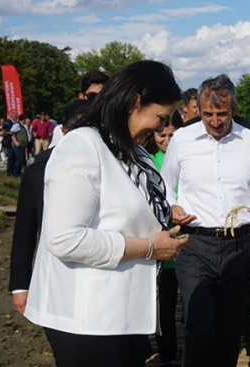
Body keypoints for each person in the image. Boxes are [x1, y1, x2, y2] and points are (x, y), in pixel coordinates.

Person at [22, 61, 188, 367]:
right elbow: (64, 239)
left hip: (122, 314)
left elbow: (130, 209)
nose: (163, 128)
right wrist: (150, 247)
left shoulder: (134, 151)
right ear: (134, 102)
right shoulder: (83, 147)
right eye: (161, 117)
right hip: (86, 319)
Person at [161, 74, 250, 367]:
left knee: (229, 329)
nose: (214, 121)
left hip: (239, 245)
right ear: (198, 110)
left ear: (233, 110)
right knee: (198, 325)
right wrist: (170, 207)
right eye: (208, 114)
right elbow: (163, 183)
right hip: (194, 244)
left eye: (222, 114)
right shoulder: (183, 140)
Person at [9, 101, 86, 315]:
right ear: (64, 131)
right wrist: (20, 285)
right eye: (78, 131)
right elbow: (24, 231)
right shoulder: (38, 171)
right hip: (55, 273)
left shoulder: (115, 167)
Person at [144, 110, 183, 365]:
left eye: (172, 134)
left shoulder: (189, 158)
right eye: (162, 134)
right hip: (162, 243)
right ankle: (168, 355)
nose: (167, 139)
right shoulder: (147, 160)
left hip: (190, 242)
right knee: (165, 308)